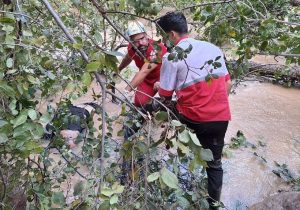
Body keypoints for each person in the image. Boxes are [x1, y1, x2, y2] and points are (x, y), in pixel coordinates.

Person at [157, 12, 232, 209]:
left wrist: (157, 85)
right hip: (220, 118)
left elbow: (165, 94)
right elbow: (227, 84)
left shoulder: (171, 57)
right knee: (215, 164)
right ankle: (214, 204)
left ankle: (183, 164)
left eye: (164, 36)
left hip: (193, 119)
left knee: (160, 106)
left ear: (172, 35)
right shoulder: (212, 48)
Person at [118, 21, 167, 108]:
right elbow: (128, 57)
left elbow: (144, 71)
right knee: (139, 103)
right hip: (147, 79)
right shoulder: (132, 48)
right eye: (136, 41)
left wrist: (126, 92)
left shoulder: (157, 48)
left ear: (146, 35)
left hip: (163, 77)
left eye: (142, 38)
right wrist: (119, 69)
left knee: (165, 97)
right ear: (131, 42)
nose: (141, 43)